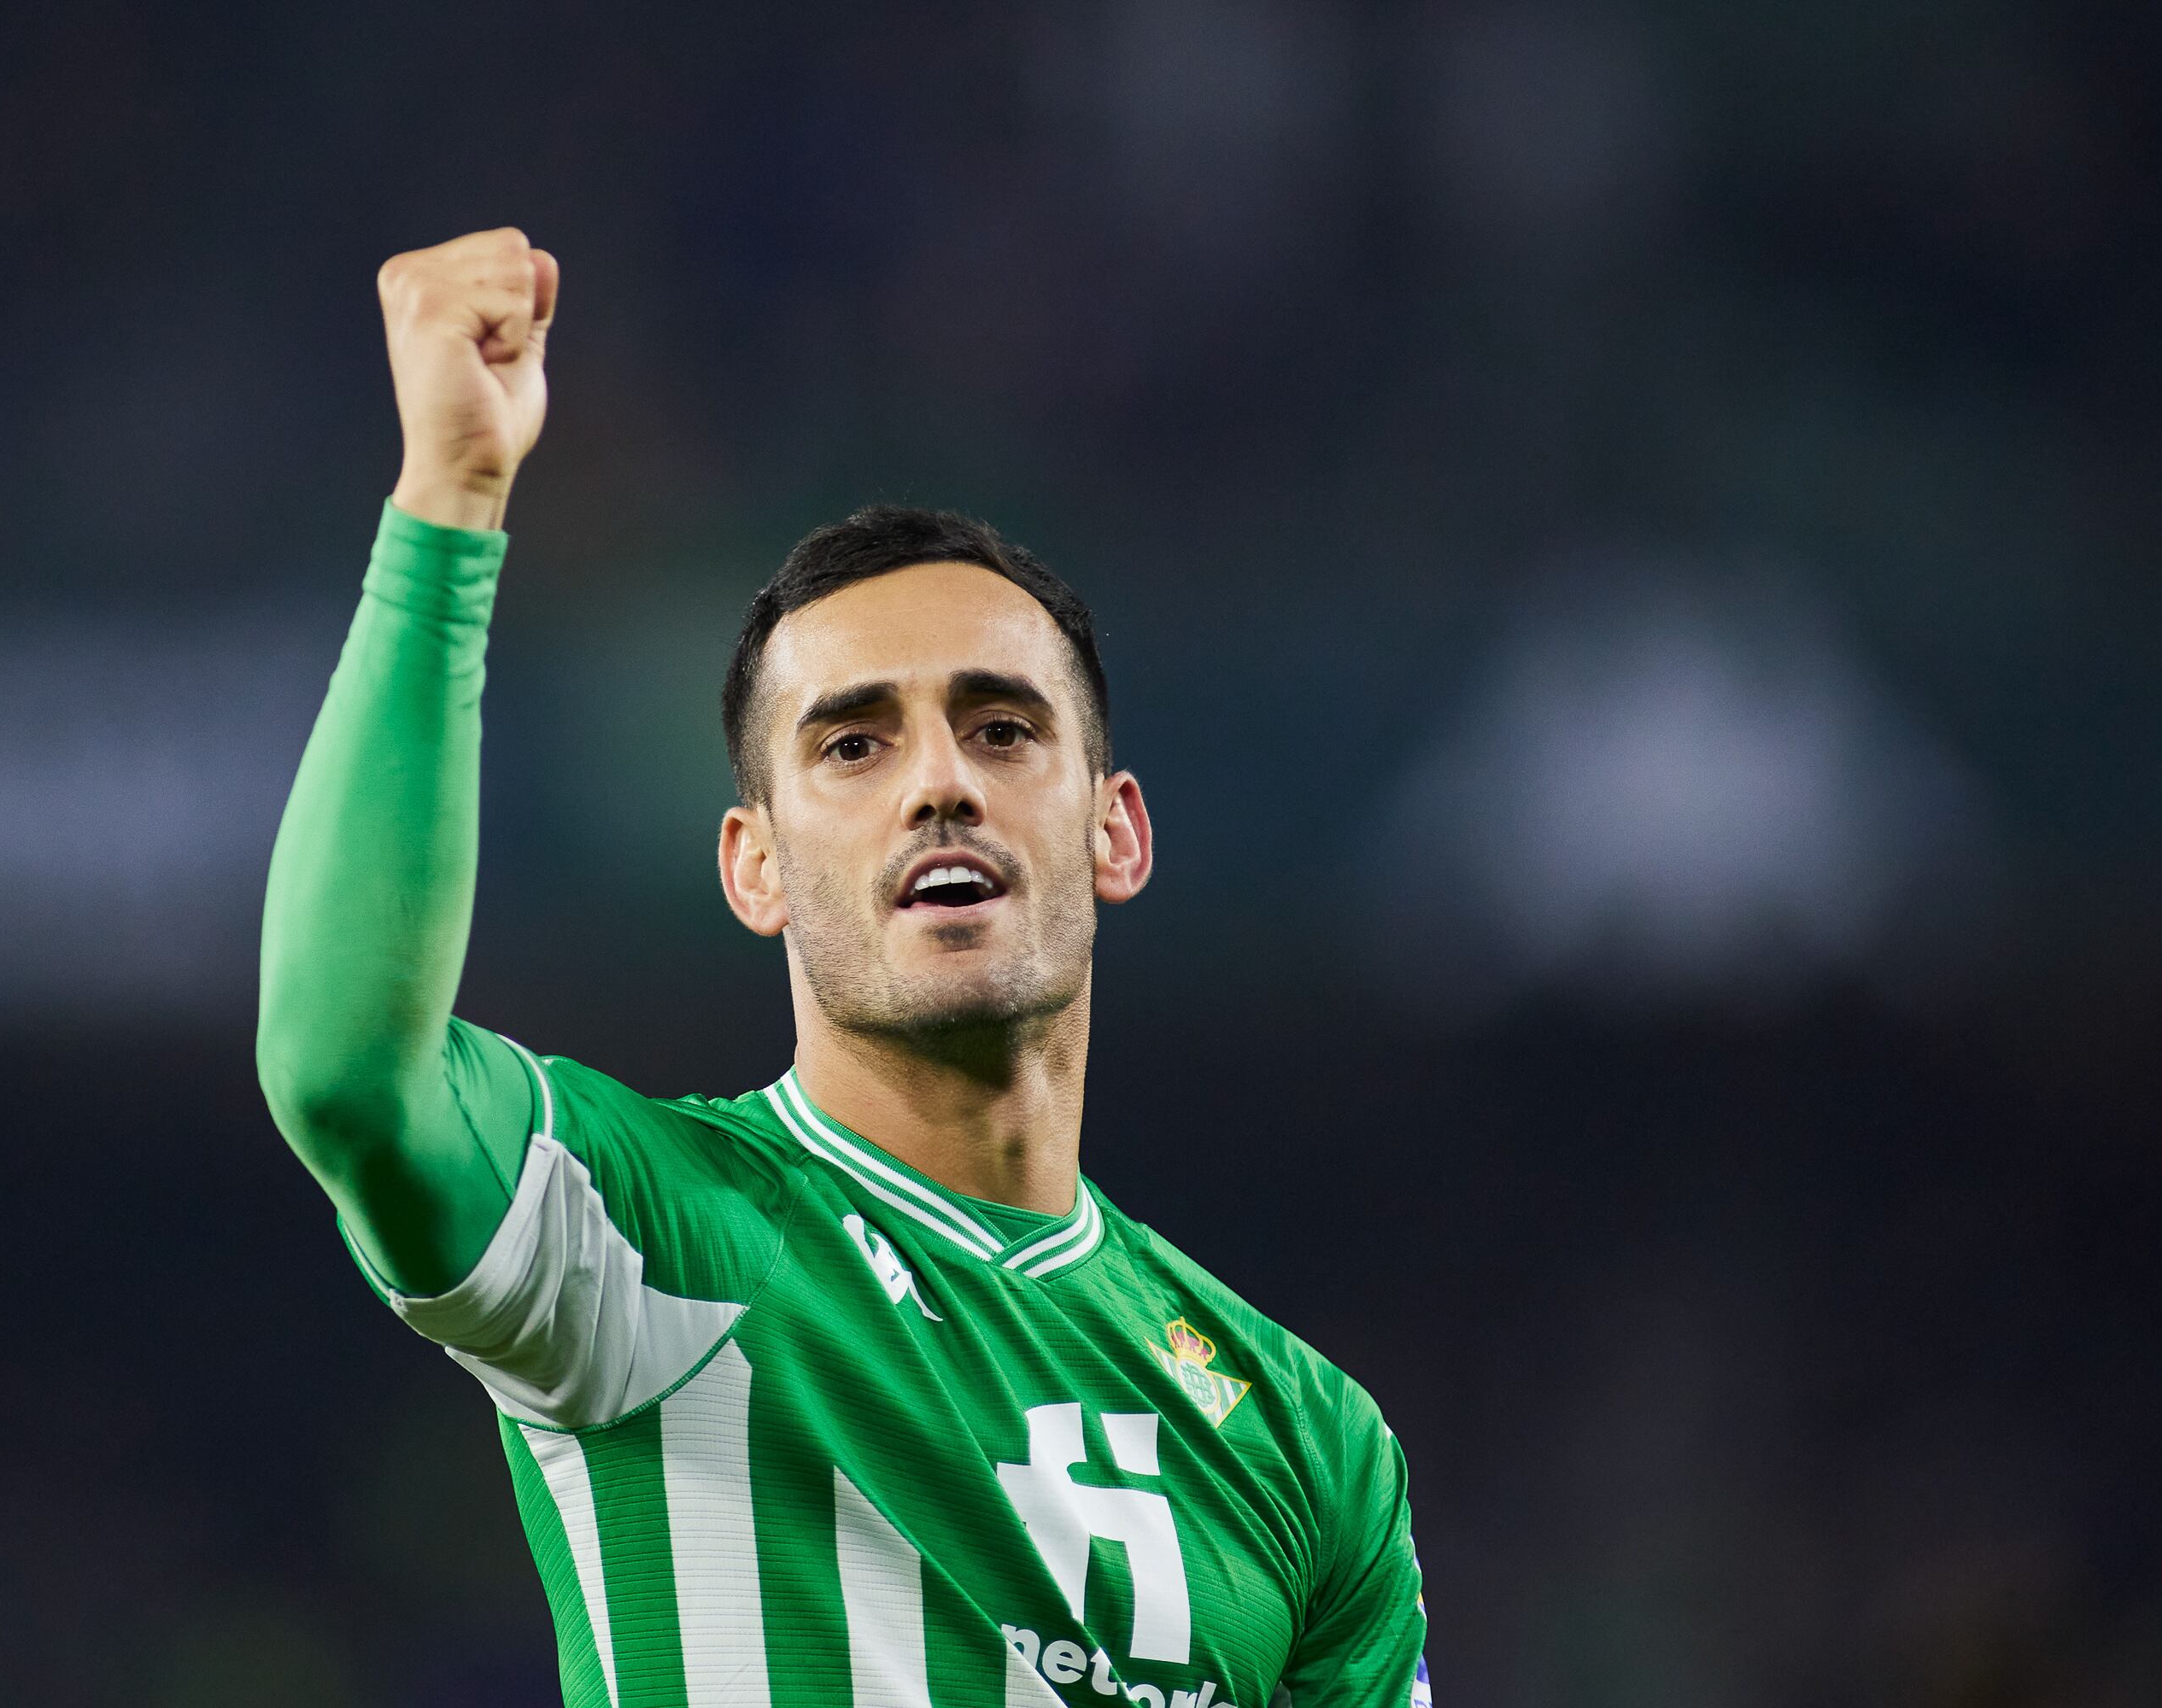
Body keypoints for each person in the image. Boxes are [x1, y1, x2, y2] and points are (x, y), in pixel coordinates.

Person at [257, 225, 1431, 1708]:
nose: (940, 782)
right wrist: (448, 506)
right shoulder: (669, 1245)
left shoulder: (1311, 1442)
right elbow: (350, 1076)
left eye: (1002, 729)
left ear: (1116, 831)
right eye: (854, 745)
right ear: (754, 867)